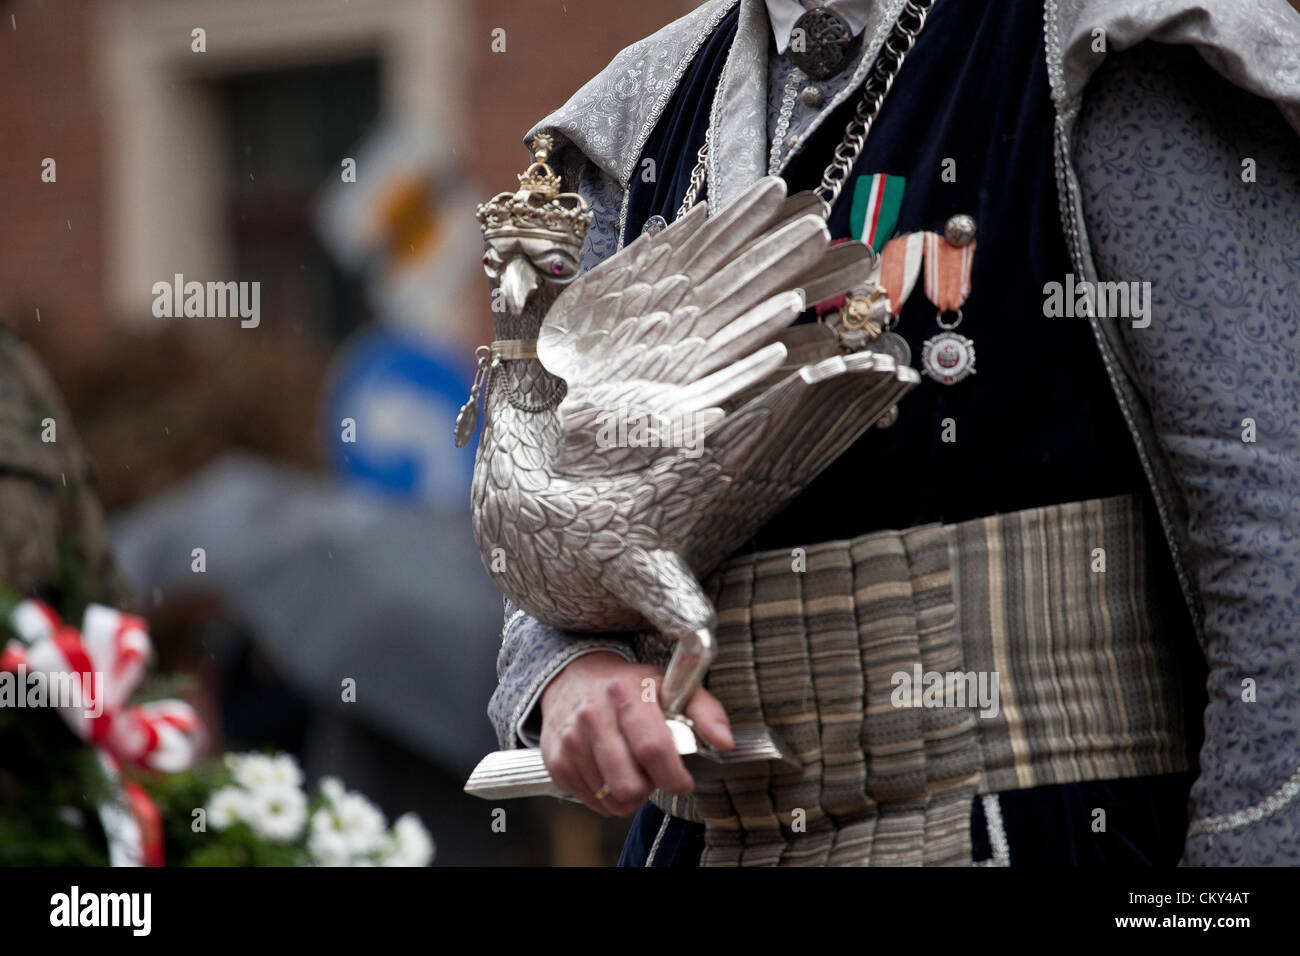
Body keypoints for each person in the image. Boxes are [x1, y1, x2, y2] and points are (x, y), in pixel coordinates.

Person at [486, 0, 1300, 866]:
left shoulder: (1099, 37)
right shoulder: (636, 114)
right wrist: (570, 665)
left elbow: (1274, 534)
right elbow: (548, 489)